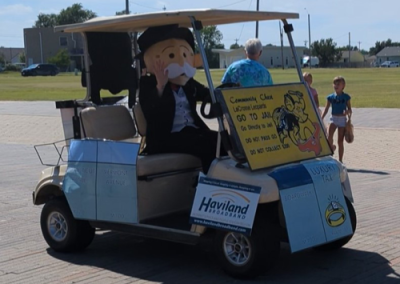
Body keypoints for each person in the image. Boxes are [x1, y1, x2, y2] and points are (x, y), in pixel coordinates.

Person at [137, 24, 225, 174]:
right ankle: (209, 183)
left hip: (191, 131)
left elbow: (205, 93)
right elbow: (151, 110)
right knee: (205, 145)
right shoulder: (148, 84)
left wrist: (223, 94)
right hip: (166, 137)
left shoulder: (186, 82)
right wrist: (160, 85)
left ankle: (227, 181)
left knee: (224, 140)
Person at [321, 76, 352, 163]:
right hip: (333, 118)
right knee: (329, 137)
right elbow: (326, 108)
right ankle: (331, 152)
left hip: (342, 119)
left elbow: (350, 110)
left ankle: (340, 160)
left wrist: (347, 112)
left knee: (340, 141)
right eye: (335, 84)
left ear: (343, 86)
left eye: (338, 84)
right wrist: (321, 118)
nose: (336, 86)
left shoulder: (346, 97)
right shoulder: (330, 97)